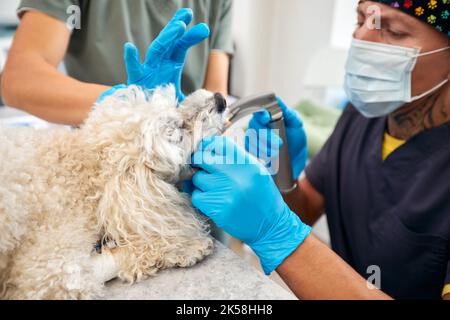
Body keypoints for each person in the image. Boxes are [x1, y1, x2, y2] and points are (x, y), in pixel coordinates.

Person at [189, 0, 450, 300]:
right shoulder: (362, 116)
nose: (361, 37)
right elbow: (306, 207)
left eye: (391, 30)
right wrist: (280, 175)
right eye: (361, 20)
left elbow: (289, 227)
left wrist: (279, 234)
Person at [1, 0, 233, 125]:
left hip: (179, 155)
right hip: (101, 153)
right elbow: (20, 79)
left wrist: (235, 126)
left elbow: (215, 97)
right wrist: (125, 102)